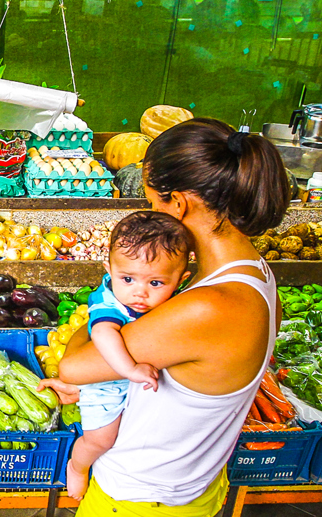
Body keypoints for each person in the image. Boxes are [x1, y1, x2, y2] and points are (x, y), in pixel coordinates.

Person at [43, 117, 291, 516]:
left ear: (177, 203)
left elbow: (73, 366)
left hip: (141, 499)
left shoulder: (207, 307)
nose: (152, 213)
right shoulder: (256, 273)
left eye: (154, 203)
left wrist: (100, 310)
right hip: (195, 485)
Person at [66, 211, 194, 501]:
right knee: (101, 439)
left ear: (181, 279)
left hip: (139, 383)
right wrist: (131, 369)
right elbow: (103, 334)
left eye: (156, 284)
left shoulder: (177, 300)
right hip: (106, 382)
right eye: (128, 278)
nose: (139, 293)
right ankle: (78, 465)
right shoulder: (108, 300)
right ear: (109, 270)